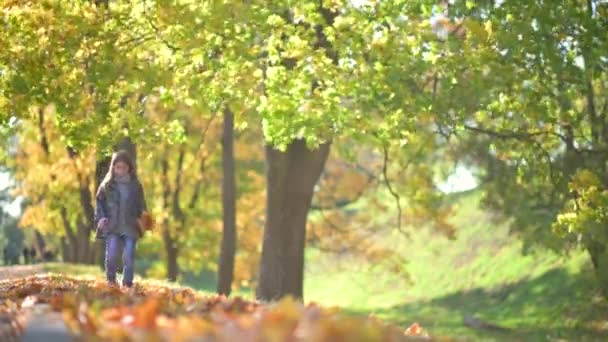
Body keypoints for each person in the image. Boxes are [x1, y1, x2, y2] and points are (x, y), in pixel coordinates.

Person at [95, 150, 148, 288]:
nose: (121, 170)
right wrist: (101, 218)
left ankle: (127, 283)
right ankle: (111, 281)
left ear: (129, 168)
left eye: (124, 167)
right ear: (113, 167)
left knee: (129, 256)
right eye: (118, 167)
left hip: (130, 226)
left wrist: (144, 217)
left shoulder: (136, 186)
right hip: (112, 226)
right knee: (112, 255)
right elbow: (99, 203)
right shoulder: (107, 185)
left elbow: (141, 205)